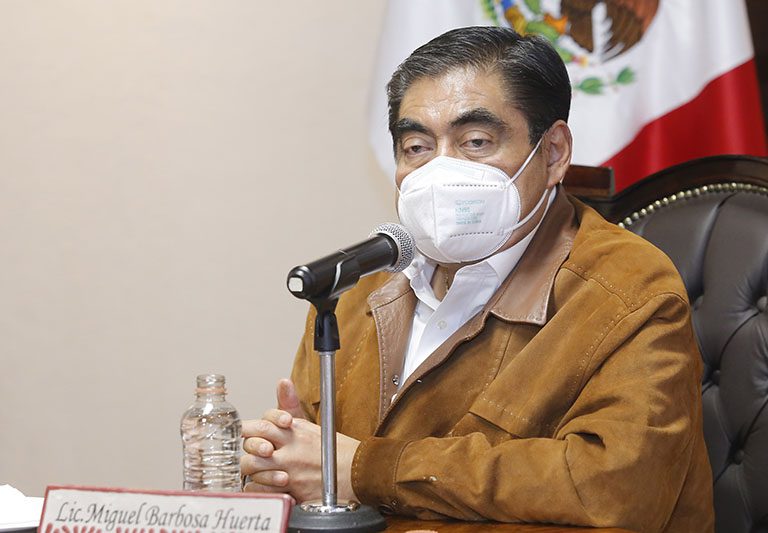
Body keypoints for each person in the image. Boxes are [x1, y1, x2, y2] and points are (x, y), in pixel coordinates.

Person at [240, 26, 714, 532]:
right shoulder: (359, 287)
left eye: (476, 142)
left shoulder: (629, 289)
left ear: (554, 152)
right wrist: (282, 468)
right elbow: (315, 468)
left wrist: (366, 470)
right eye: (417, 147)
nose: (441, 173)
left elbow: (614, 490)